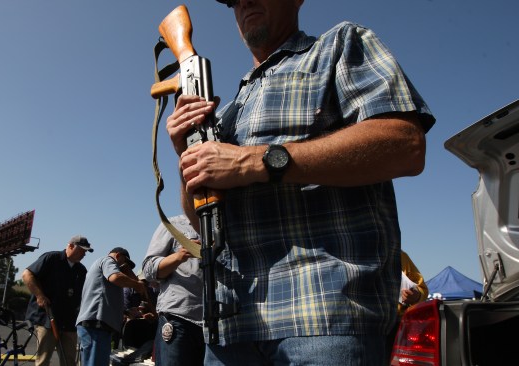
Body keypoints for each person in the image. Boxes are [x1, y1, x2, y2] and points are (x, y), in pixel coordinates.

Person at [165, 0, 436, 364]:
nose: (243, 2)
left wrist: (257, 161)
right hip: (229, 331)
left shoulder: (338, 45)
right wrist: (189, 160)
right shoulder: (226, 112)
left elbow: (405, 144)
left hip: (322, 318)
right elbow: (205, 227)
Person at [142, 215, 204, 366]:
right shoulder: (173, 224)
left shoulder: (222, 223)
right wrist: (178, 256)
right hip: (179, 318)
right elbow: (149, 270)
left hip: (217, 322)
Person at [22, 235, 93, 366]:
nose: (84, 254)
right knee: (43, 360)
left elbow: (86, 294)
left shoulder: (81, 270)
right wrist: (40, 295)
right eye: (82, 250)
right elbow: (27, 274)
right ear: (71, 246)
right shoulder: (51, 258)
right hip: (48, 319)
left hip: (69, 322)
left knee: (69, 361)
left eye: (86, 252)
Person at [76, 247, 146, 366]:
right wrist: (137, 285)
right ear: (118, 256)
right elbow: (115, 277)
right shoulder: (108, 261)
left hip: (100, 325)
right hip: (96, 324)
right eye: (125, 263)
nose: (125, 268)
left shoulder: (104, 270)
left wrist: (127, 312)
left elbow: (104, 297)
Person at [385, 250, 429, 363]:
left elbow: (422, 289)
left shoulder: (399, 255)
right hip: (362, 327)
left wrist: (416, 295)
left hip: (395, 328)